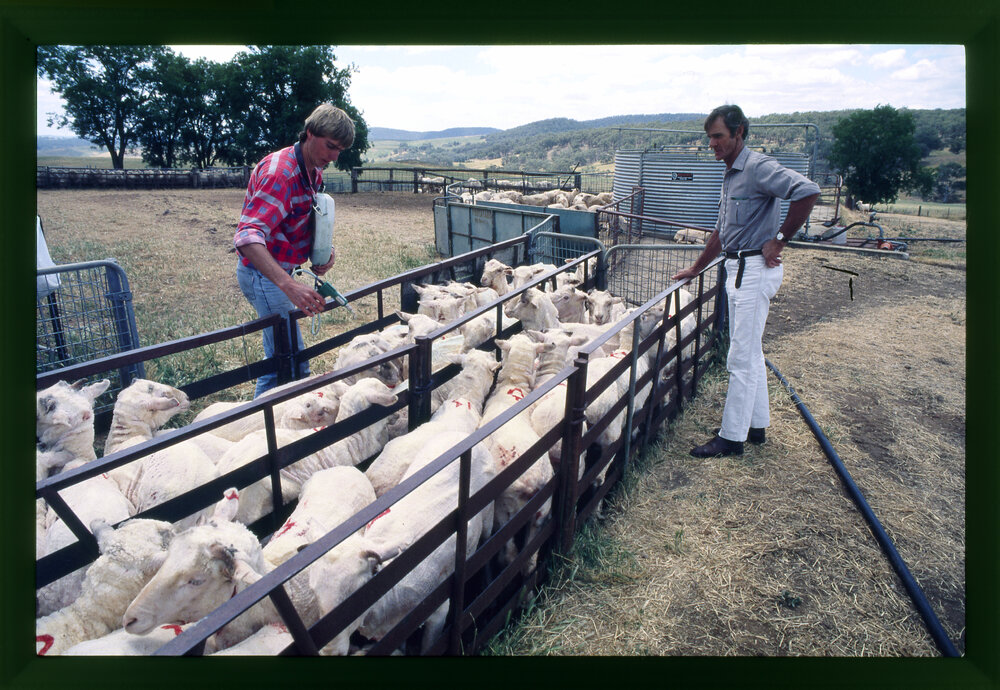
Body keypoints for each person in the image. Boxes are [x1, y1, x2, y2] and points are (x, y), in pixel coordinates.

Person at [672, 104, 820, 457]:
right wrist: (696, 268)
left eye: (719, 136)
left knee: (739, 357)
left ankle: (731, 438)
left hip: (754, 269)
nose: (713, 144)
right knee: (750, 353)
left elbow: (808, 190)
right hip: (736, 269)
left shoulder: (757, 167)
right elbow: (722, 232)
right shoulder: (731, 173)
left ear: (739, 133)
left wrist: (781, 238)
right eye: (709, 138)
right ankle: (755, 427)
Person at [233, 103, 355, 397]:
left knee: (286, 358)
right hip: (263, 276)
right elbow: (248, 237)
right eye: (330, 146)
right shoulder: (282, 176)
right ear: (310, 133)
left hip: (279, 272)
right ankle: (262, 429)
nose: (335, 156)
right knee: (285, 364)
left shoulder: (312, 170)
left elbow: (305, 217)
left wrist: (323, 251)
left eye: (340, 150)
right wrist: (288, 284)